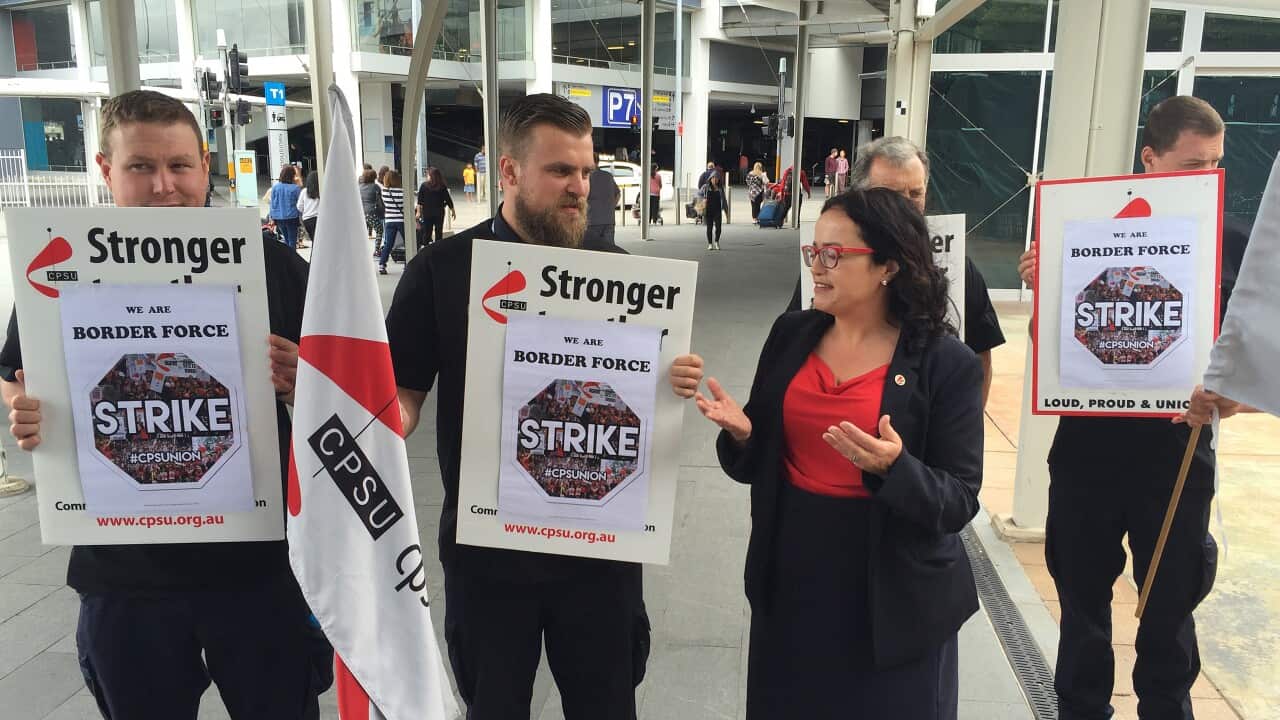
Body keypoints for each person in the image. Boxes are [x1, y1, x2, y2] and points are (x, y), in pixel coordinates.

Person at [0, 89, 326, 720]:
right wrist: (23, 405)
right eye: (140, 167)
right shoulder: (66, 259)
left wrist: (302, 381)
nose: (163, 186)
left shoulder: (267, 261)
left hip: (258, 566)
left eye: (179, 165)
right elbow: (11, 372)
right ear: (105, 169)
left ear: (205, 164)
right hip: (123, 571)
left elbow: (347, 388)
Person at [669, 188, 982, 719]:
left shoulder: (946, 362)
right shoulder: (792, 333)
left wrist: (895, 469)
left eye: (834, 254)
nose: (816, 266)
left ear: (888, 266)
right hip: (792, 577)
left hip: (893, 596)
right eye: (813, 251)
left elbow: (958, 500)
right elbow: (758, 458)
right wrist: (745, 434)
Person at [385, 93, 650, 720]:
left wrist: (673, 379)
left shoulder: (624, 278)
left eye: (585, 171)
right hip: (490, 556)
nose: (579, 187)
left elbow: (640, 398)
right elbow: (404, 394)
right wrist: (360, 413)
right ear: (508, 171)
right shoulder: (442, 271)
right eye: (560, 170)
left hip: (599, 551)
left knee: (607, 706)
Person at [1017, 95, 1244, 720]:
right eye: (1193, 164)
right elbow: (1050, 352)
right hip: (1087, 452)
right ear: (1149, 158)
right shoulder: (1083, 226)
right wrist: (1049, 288)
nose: (1207, 177)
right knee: (1081, 602)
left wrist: (1228, 399)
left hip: (1177, 452)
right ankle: (1080, 709)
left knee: (1170, 610)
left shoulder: (1230, 242)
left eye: (1216, 164)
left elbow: (1248, 363)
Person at [787, 136, 1007, 406]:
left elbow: (980, 354)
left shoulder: (959, 270)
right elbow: (794, 343)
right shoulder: (827, 267)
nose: (905, 206)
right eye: (890, 195)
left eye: (915, 194)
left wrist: (966, 423)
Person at [584, 153, 621, 251]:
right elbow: (618, 194)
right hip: (609, 219)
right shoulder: (608, 176)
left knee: (592, 250)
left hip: (592, 220)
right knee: (609, 250)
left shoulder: (586, 178)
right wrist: (610, 207)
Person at [415, 166, 456, 248]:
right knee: (438, 232)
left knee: (427, 232)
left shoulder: (424, 186)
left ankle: (426, 248)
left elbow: (419, 201)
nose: (427, 176)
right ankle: (438, 248)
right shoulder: (442, 186)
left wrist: (418, 212)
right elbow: (448, 200)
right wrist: (453, 211)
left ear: (431, 176)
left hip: (427, 213)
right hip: (439, 213)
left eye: (428, 174)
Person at [377, 169, 406, 274]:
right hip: (401, 220)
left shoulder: (384, 192)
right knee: (407, 243)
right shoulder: (402, 192)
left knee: (388, 243)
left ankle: (382, 264)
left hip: (389, 220)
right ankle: (407, 264)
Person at [268, 164, 302, 249]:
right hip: (292, 217)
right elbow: (300, 203)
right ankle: (292, 256)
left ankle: (287, 255)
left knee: (286, 240)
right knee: (292, 241)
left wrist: (271, 217)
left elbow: (272, 203)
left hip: (278, 218)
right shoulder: (295, 188)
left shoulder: (275, 187)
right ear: (292, 176)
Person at [702, 172, 727, 250]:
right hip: (708, 210)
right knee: (709, 228)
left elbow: (724, 200)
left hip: (717, 210)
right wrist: (703, 200)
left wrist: (727, 212)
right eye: (713, 178)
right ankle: (710, 244)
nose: (714, 179)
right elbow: (699, 194)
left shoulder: (720, 188)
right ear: (710, 179)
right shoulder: (706, 187)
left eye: (716, 178)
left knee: (718, 227)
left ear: (718, 179)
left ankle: (716, 242)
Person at [359, 167, 383, 242]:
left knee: (363, 233)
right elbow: (380, 199)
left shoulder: (360, 187)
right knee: (379, 230)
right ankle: (377, 248)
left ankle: (362, 247)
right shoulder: (375, 187)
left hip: (362, 213)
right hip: (371, 212)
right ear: (374, 177)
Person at [297, 170, 320, 247]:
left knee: (314, 240)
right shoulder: (321, 191)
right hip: (319, 219)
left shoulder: (304, 191)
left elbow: (299, 207)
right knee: (319, 241)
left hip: (307, 220)